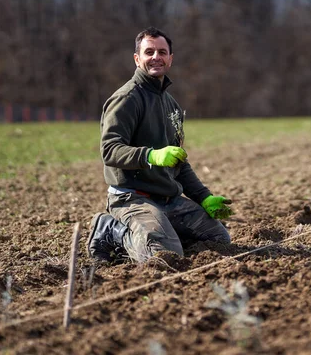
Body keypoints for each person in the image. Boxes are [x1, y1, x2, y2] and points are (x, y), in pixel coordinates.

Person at [87, 26, 233, 264]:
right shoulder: (127, 99)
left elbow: (179, 164)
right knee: (164, 257)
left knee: (218, 239)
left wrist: (204, 198)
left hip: (167, 199)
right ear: (137, 59)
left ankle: (160, 233)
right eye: (149, 52)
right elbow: (110, 151)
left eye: (162, 52)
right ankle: (111, 230)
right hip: (132, 198)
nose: (156, 57)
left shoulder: (172, 105)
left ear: (170, 59)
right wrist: (151, 156)